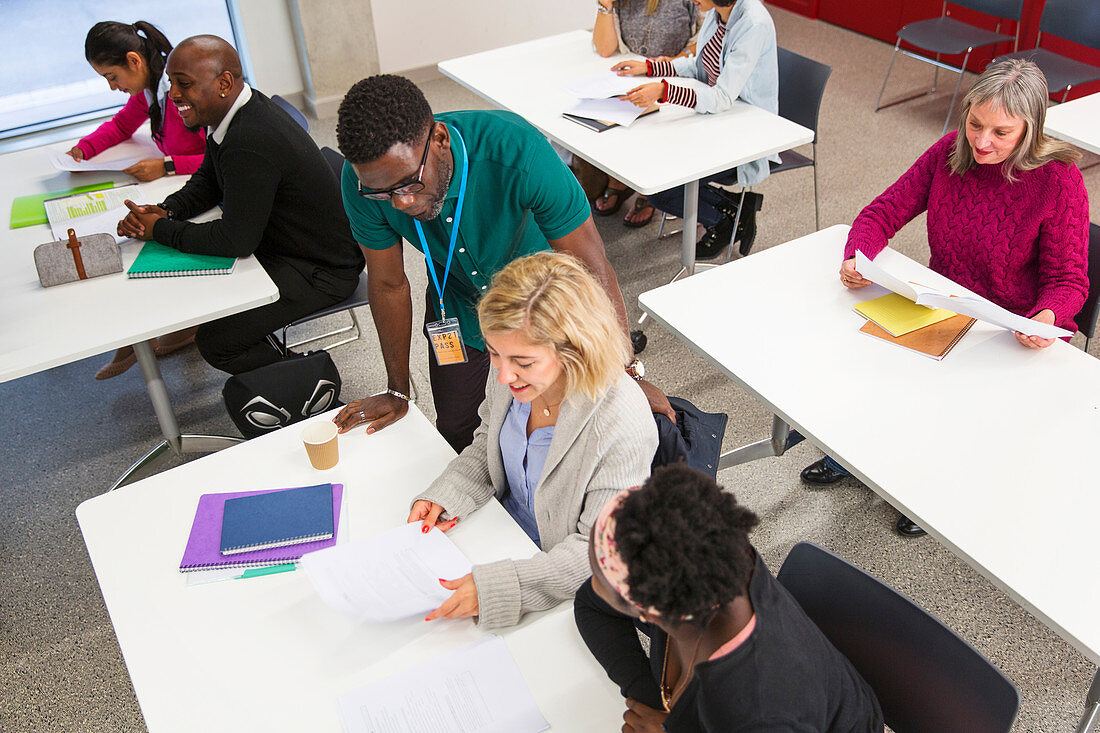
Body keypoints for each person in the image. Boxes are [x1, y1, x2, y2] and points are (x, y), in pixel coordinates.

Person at [800, 59, 1089, 537]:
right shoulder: (948, 153)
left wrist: (1046, 316)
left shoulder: (1059, 182)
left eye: (1001, 132)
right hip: (943, 304)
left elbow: (1069, 281)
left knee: (954, 407)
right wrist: (857, 257)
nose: (981, 142)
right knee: (867, 354)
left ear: (1030, 130)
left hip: (1007, 326)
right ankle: (859, 454)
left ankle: (925, 487)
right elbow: (882, 212)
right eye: (975, 123)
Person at [331, 74, 671, 453]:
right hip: (456, 305)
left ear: (440, 140)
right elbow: (389, 284)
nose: (401, 203)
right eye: (383, 194)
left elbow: (591, 264)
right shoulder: (364, 184)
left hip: (543, 305)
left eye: (410, 183)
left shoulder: (518, 150)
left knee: (561, 424)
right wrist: (397, 388)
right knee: (459, 430)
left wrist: (625, 374)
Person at [407, 252, 658, 629]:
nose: (505, 375)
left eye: (524, 362)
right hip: (498, 539)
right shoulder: (512, 372)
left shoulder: (622, 421)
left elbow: (600, 550)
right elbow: (486, 444)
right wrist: (448, 492)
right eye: (494, 353)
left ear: (575, 348)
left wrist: (501, 589)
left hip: (559, 582)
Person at [117, 35, 364, 375]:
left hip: (320, 270)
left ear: (224, 83)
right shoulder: (231, 112)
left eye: (184, 84)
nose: (173, 94)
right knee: (201, 286)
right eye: (172, 83)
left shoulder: (250, 139)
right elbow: (208, 181)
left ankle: (310, 384)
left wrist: (159, 229)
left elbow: (236, 240)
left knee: (218, 343)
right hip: (290, 247)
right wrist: (167, 210)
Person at [575, 464, 885, 732]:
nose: (594, 581)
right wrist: (650, 702)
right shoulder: (698, 571)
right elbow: (590, 605)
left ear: (649, 614)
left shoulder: (761, 710)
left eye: (601, 577)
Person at [73, 21, 208, 380]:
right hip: (190, 185)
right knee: (134, 226)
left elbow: (226, 152)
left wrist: (167, 165)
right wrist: (83, 150)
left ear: (134, 60)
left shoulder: (182, 91)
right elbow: (120, 126)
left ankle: (164, 327)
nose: (112, 87)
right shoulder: (151, 89)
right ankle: (148, 330)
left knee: (144, 234)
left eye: (112, 76)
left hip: (209, 191)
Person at [613, 0, 778, 260]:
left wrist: (665, 92)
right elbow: (700, 67)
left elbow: (722, 96)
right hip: (717, 121)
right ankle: (734, 208)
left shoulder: (753, 23)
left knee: (660, 188)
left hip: (746, 134)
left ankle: (722, 220)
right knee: (656, 165)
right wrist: (652, 67)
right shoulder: (717, 13)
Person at [589, 0, 700, 227]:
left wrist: (676, 59)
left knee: (653, 126)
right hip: (632, 76)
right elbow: (605, 48)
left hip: (677, 79)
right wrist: (605, 6)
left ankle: (649, 192)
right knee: (607, 116)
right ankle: (619, 181)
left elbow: (706, 41)